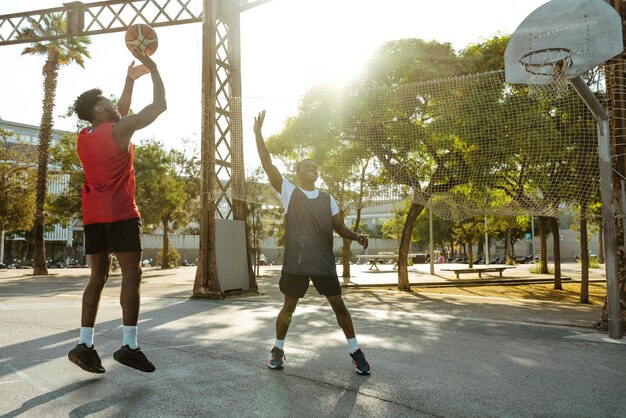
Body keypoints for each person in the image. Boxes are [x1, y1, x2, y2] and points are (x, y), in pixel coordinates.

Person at [67, 51, 166, 374]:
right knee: (131, 276)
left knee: (97, 278)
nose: (114, 103)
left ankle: (85, 344)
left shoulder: (85, 136)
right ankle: (130, 346)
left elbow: (117, 114)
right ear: (99, 108)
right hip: (121, 212)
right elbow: (159, 106)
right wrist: (152, 69)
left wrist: (128, 81)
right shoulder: (119, 130)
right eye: (108, 100)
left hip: (94, 215)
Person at [254, 110, 371, 375]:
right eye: (307, 167)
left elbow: (339, 227)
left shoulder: (327, 198)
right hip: (296, 263)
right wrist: (258, 134)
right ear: (298, 173)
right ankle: (277, 349)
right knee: (289, 308)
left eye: (315, 167)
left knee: (339, 306)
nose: (312, 169)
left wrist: (355, 236)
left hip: (322, 263)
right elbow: (267, 164)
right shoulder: (289, 192)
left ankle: (356, 352)